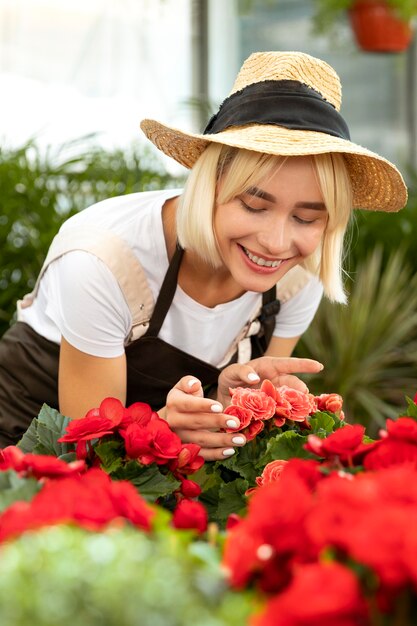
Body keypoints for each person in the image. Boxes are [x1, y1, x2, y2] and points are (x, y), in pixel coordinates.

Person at [0, 51, 407, 458]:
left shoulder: (298, 279)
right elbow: (89, 455)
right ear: (208, 186)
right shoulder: (102, 259)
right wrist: (165, 431)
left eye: (306, 217)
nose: (277, 243)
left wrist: (226, 399)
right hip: (24, 450)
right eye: (253, 206)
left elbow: (236, 442)